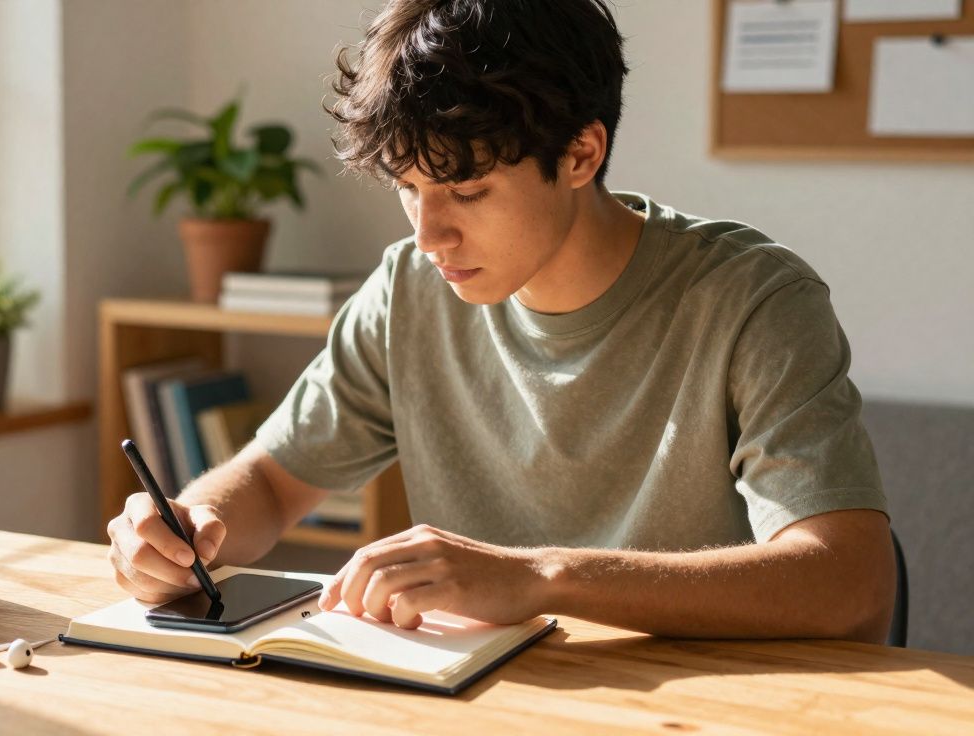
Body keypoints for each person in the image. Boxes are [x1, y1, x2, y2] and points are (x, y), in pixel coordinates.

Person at [106, 0, 895, 643]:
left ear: (581, 155)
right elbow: (275, 483)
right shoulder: (408, 291)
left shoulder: (752, 298)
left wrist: (539, 578)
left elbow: (848, 580)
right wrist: (193, 523)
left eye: (468, 191)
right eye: (408, 188)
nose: (428, 234)